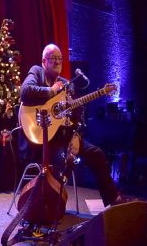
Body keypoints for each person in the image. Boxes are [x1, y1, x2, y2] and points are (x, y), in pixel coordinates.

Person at [20, 44, 121, 207]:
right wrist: (51, 91)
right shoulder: (37, 72)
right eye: (53, 58)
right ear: (43, 61)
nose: (57, 61)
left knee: (97, 154)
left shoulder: (67, 84)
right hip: (43, 138)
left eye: (60, 58)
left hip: (66, 137)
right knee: (61, 160)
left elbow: (76, 117)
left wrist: (76, 136)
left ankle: (113, 200)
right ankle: (49, 206)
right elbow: (25, 91)